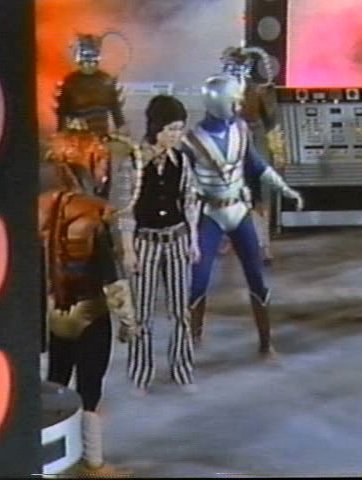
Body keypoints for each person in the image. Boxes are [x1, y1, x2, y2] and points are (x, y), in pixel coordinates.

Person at [182, 73, 304, 358]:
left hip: (239, 210)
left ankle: (265, 342)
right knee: (199, 281)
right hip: (209, 212)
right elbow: (183, 184)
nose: (239, 106)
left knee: (256, 277)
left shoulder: (240, 129)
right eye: (234, 101)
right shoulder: (191, 141)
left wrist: (286, 189)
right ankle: (191, 340)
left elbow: (257, 165)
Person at [39, 159, 139, 476]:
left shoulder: (43, 218)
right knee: (90, 388)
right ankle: (93, 462)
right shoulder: (93, 219)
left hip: (57, 313)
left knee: (56, 382)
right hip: (91, 313)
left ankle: (48, 459)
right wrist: (128, 321)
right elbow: (112, 278)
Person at [117, 95, 200, 393]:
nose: (177, 135)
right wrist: (129, 250)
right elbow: (125, 211)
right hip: (146, 242)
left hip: (177, 239)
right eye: (171, 129)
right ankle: (141, 373)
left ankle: (182, 369)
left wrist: (193, 240)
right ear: (156, 127)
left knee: (181, 311)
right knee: (143, 313)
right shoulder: (134, 162)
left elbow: (190, 201)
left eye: (180, 129)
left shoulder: (182, 161)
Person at [221, 45, 285, 264]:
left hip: (254, 143)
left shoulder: (260, 91)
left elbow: (272, 124)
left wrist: (278, 152)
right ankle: (231, 238)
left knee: (258, 196)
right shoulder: (220, 90)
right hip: (228, 144)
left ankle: (263, 244)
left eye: (237, 65)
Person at [54, 33, 129, 199]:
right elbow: (62, 112)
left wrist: (121, 126)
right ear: (79, 61)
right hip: (78, 139)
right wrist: (61, 135)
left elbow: (114, 107)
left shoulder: (105, 80)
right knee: (79, 180)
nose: (89, 65)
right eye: (86, 61)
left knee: (103, 179)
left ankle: (101, 208)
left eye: (93, 61)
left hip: (102, 137)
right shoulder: (70, 82)